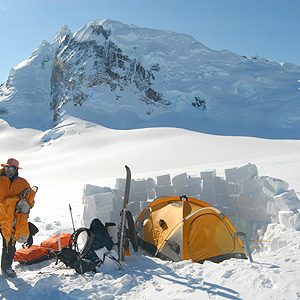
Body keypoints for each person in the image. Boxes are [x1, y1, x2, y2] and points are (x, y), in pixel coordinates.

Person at [0, 158, 36, 277]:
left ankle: (6, 267)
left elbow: (30, 201)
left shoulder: (23, 183)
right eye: (6, 168)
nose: (8, 170)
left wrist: (25, 206)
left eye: (11, 168)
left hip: (11, 220)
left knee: (9, 244)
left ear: (16, 169)